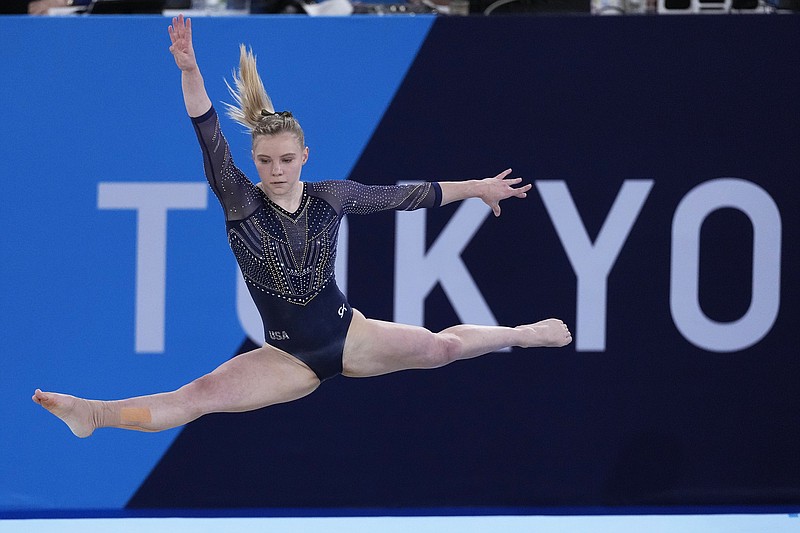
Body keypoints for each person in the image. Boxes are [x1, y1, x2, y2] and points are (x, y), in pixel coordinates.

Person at [32, 14, 572, 438]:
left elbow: (406, 196)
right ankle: (94, 414)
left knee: (441, 349)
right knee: (197, 397)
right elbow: (207, 131)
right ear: (255, 159)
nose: (276, 170)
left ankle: (522, 334)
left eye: (286, 159)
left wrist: (475, 187)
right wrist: (190, 71)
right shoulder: (240, 201)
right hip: (286, 357)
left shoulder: (330, 197)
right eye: (265, 161)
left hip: (348, 333)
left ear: (304, 155)